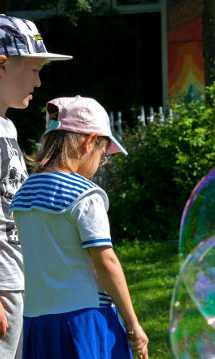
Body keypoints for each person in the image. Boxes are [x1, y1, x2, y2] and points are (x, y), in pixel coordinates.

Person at [10, 96, 149, 358]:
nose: (101, 164)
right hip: (85, 321)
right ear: (88, 142)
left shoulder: (24, 193)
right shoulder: (85, 195)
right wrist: (133, 325)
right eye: (104, 154)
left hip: (38, 322)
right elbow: (105, 260)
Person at [0, 14, 72, 358]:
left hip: (19, 282)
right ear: (1, 65)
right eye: (33, 69)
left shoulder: (7, 128)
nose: (39, 81)